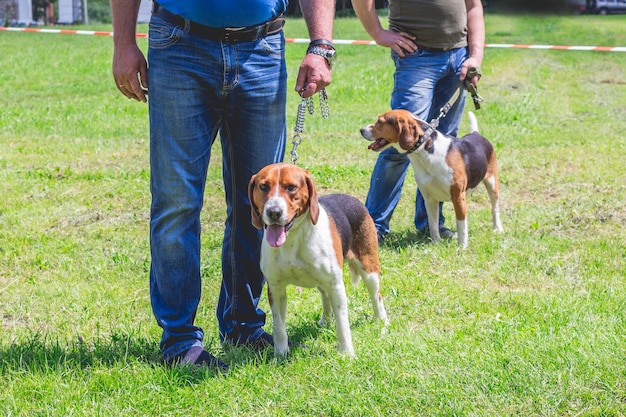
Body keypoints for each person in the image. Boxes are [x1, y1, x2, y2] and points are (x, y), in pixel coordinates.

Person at [110, 0, 335, 370]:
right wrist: (123, 42)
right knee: (176, 203)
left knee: (263, 207)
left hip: (261, 49)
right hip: (178, 46)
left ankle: (242, 324)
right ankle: (180, 342)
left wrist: (321, 44)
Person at [352, 0, 485, 243]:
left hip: (459, 56)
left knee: (445, 146)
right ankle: (373, 230)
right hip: (416, 56)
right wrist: (378, 33)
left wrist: (475, 55)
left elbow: (473, 6)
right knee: (399, 143)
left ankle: (430, 225)